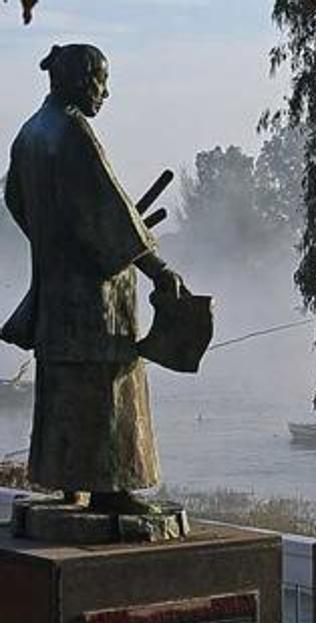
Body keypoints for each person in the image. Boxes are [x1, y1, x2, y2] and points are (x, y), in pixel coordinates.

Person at [1, 44, 185, 515]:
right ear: (81, 81)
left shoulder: (28, 134)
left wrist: (52, 241)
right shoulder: (73, 133)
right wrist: (159, 271)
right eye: (101, 80)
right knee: (107, 386)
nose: (106, 92)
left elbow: (16, 200)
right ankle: (110, 488)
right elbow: (111, 216)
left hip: (56, 294)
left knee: (64, 385)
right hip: (94, 302)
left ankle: (69, 481)